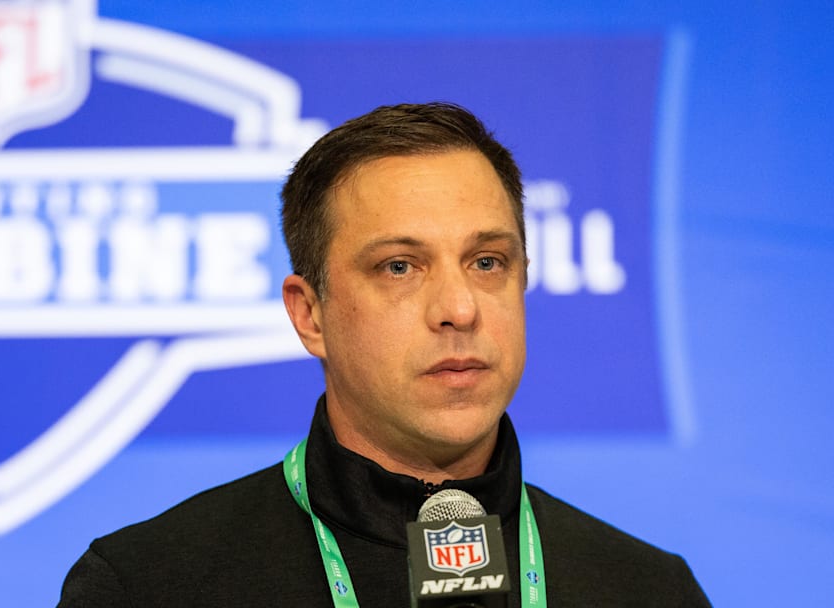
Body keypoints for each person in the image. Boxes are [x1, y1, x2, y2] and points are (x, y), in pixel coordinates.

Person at [56, 102, 711, 607]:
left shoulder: (648, 588)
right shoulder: (150, 586)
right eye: (400, 266)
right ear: (309, 315)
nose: (459, 307)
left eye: (488, 261)